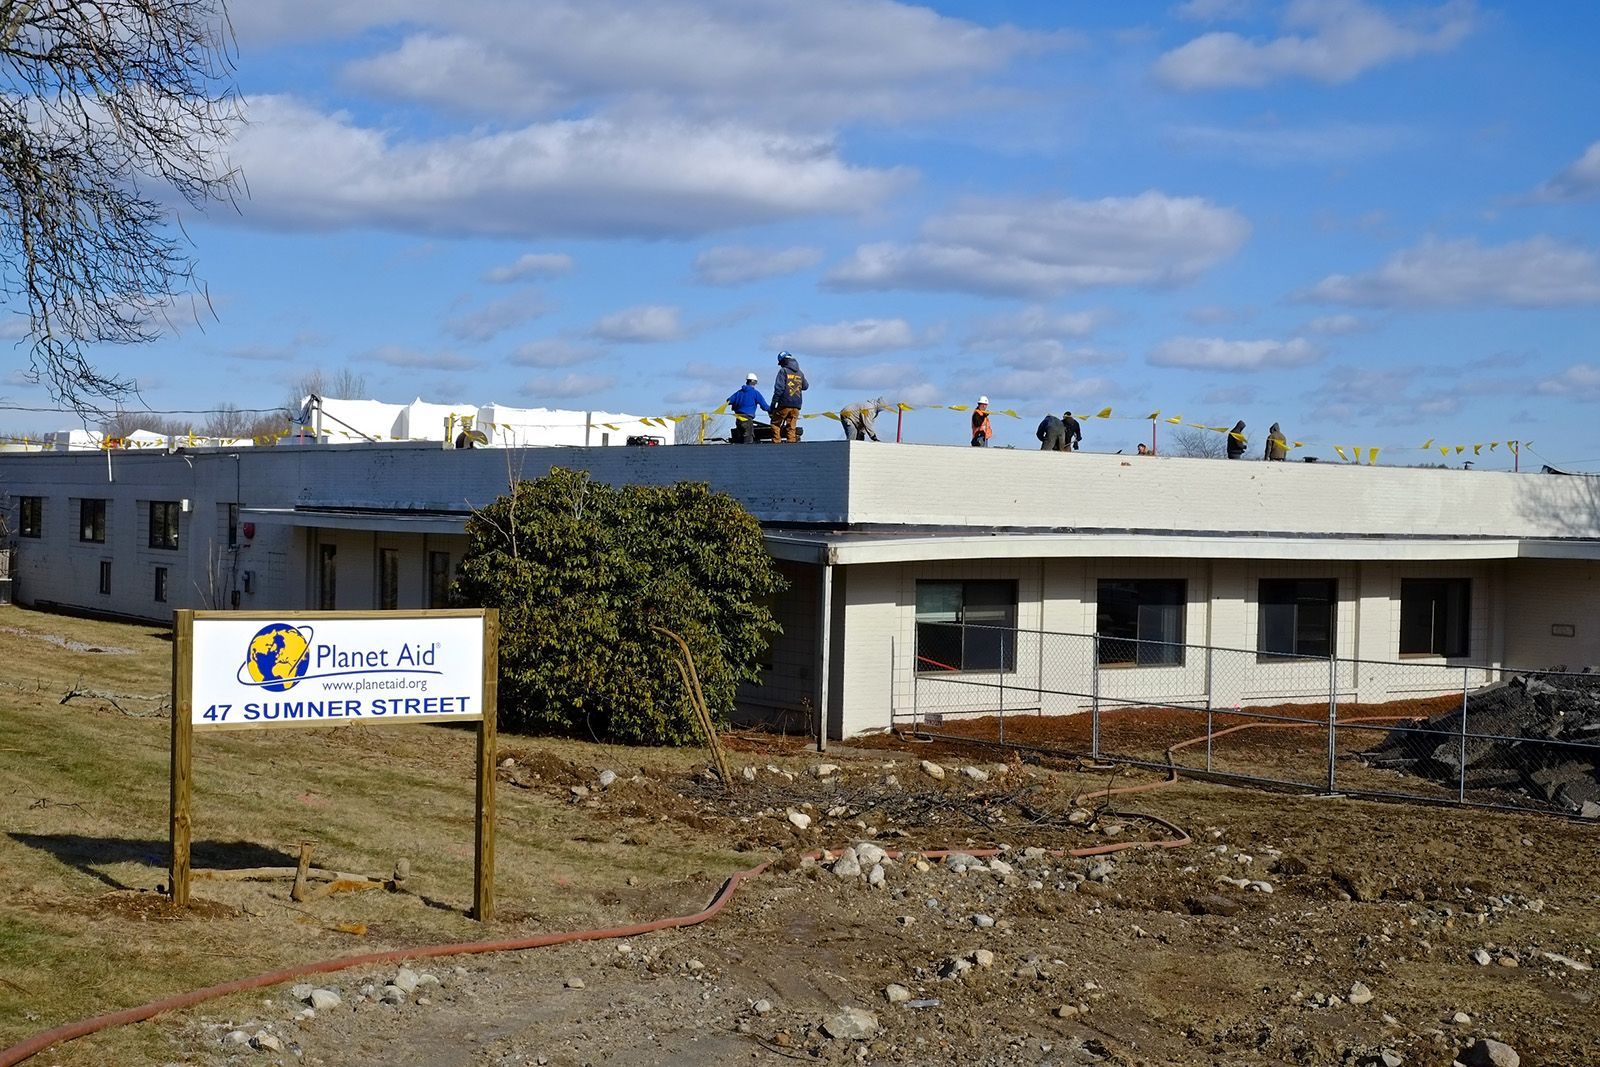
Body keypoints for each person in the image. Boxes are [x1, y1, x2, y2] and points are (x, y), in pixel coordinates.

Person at [770, 351, 808, 443]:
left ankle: (776, 443)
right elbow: (805, 386)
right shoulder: (800, 373)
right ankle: (791, 444)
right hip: (797, 405)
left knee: (775, 423)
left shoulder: (783, 371)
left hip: (784, 403)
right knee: (791, 426)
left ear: (783, 361)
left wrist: (773, 404)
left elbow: (779, 389)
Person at [726, 372, 769, 444]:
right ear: (754, 382)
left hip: (738, 419)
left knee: (740, 438)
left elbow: (729, 401)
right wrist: (773, 410)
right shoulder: (755, 393)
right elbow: (764, 406)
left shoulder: (739, 393)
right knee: (748, 438)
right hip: (747, 419)